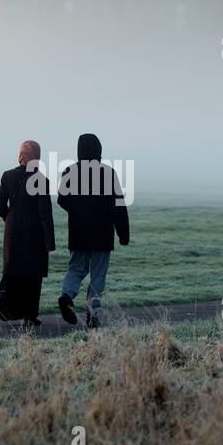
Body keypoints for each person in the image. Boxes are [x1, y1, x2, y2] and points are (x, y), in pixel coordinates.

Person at [56, 133, 129, 329]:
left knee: (76, 269)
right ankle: (93, 312)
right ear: (99, 150)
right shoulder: (108, 173)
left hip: (78, 232)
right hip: (102, 235)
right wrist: (123, 233)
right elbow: (119, 206)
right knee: (98, 274)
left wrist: (78, 210)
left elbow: (61, 199)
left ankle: (67, 296)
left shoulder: (69, 171)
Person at [0, 139, 55, 330]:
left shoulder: (8, 176)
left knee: (14, 271)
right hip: (35, 233)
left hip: (13, 231)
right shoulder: (42, 180)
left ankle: (10, 308)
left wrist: (10, 219)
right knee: (33, 276)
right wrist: (49, 241)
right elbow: (45, 213)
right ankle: (30, 315)